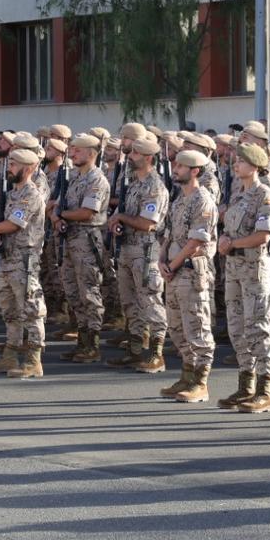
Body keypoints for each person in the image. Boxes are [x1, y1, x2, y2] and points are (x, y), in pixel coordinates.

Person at [218, 142, 270, 412]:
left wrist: (233, 243)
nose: (235, 165)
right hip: (234, 269)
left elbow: (263, 235)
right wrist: (224, 241)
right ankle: (246, 385)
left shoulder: (263, 194)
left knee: (258, 328)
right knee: (237, 327)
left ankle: (265, 390)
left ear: (254, 165)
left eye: (240, 161)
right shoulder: (238, 194)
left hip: (253, 269)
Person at [158, 148, 219, 401]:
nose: (176, 169)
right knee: (176, 326)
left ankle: (200, 383)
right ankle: (186, 375)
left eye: (181, 166)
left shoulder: (202, 200)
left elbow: (196, 242)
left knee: (197, 328)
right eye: (176, 165)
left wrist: (173, 264)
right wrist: (162, 260)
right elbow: (169, 234)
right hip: (173, 270)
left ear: (195, 171)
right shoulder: (180, 199)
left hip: (191, 272)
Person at [107, 135, 169, 372]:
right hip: (127, 248)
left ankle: (156, 353)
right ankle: (134, 349)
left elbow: (147, 223)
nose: (130, 157)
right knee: (130, 301)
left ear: (149, 158)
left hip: (145, 252)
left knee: (150, 300)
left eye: (135, 153)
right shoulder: (132, 183)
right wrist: (117, 222)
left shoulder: (154, 186)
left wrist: (121, 217)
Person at [0, 146, 49, 378]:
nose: (9, 169)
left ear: (30, 168)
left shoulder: (31, 195)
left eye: (14, 165)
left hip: (24, 260)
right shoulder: (11, 193)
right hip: (7, 258)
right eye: (9, 164)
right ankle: (10, 355)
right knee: (10, 310)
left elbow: (14, 224)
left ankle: (34, 360)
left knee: (31, 310)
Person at [58, 134, 113, 364]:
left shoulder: (96, 180)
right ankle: (82, 339)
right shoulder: (75, 178)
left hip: (87, 240)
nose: (72, 154)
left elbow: (86, 213)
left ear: (91, 153)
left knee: (89, 292)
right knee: (73, 291)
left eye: (77, 150)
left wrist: (61, 215)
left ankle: (93, 342)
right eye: (72, 150)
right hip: (70, 239)